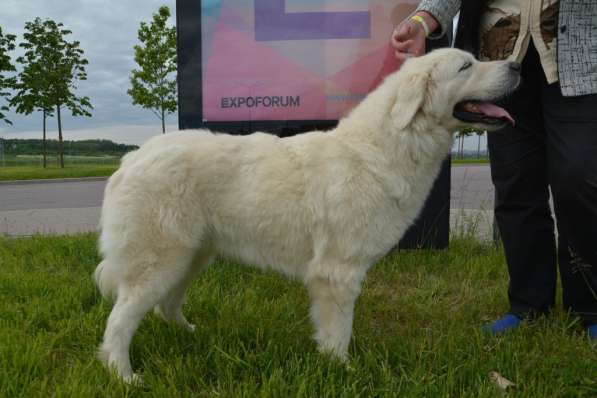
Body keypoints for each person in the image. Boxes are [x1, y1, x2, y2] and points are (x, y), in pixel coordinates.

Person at [391, 0, 597, 341]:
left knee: (580, 178)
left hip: (579, 53)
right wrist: (424, 19)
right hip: (500, 53)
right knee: (515, 183)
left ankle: (590, 307)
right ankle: (528, 306)